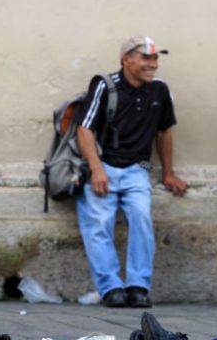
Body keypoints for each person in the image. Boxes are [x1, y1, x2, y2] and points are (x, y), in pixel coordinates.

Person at [74, 35, 188, 308]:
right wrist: (96, 168)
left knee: (141, 219)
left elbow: (164, 133)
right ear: (127, 60)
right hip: (104, 167)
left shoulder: (160, 90)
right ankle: (111, 287)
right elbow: (84, 128)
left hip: (138, 169)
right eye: (146, 58)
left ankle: (138, 286)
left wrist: (168, 173)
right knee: (98, 225)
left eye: (155, 58)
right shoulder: (105, 85)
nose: (153, 64)